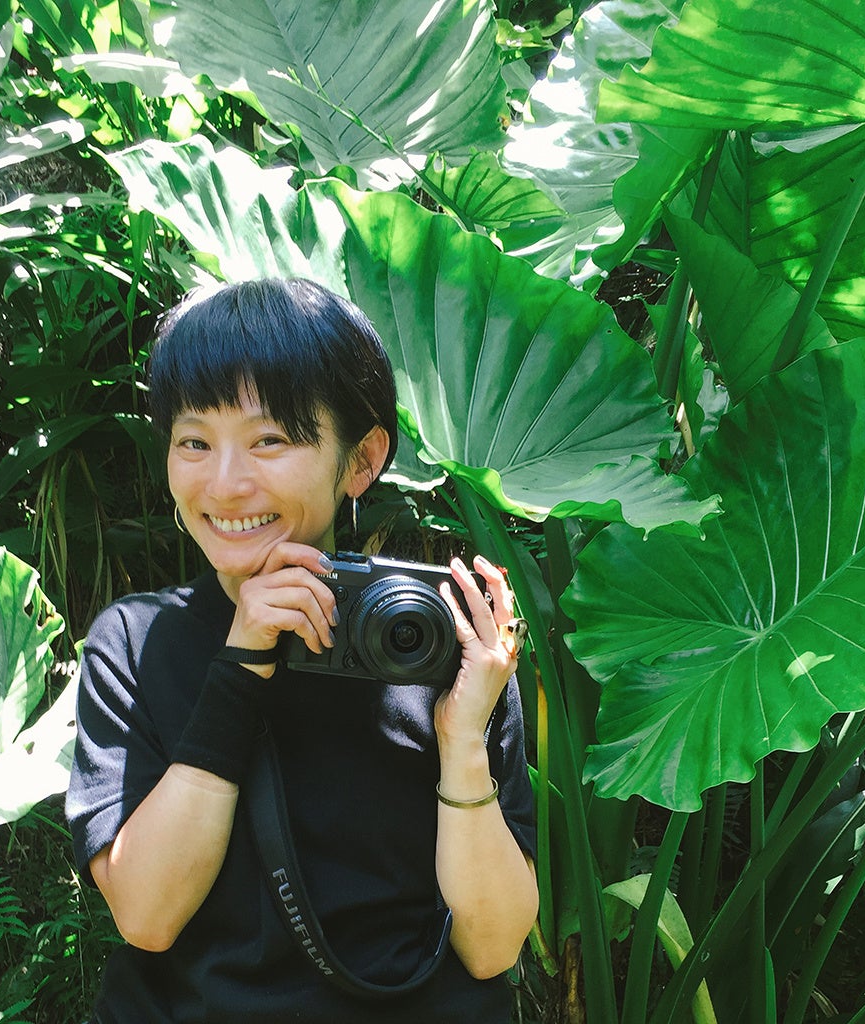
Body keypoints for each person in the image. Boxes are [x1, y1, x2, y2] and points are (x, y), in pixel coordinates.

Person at [66, 278, 538, 1023]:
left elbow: (492, 946)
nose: (225, 484)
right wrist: (242, 659)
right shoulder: (135, 642)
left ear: (362, 460)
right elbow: (147, 915)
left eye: (269, 440)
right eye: (194, 442)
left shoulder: (442, 647)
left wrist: (462, 738)